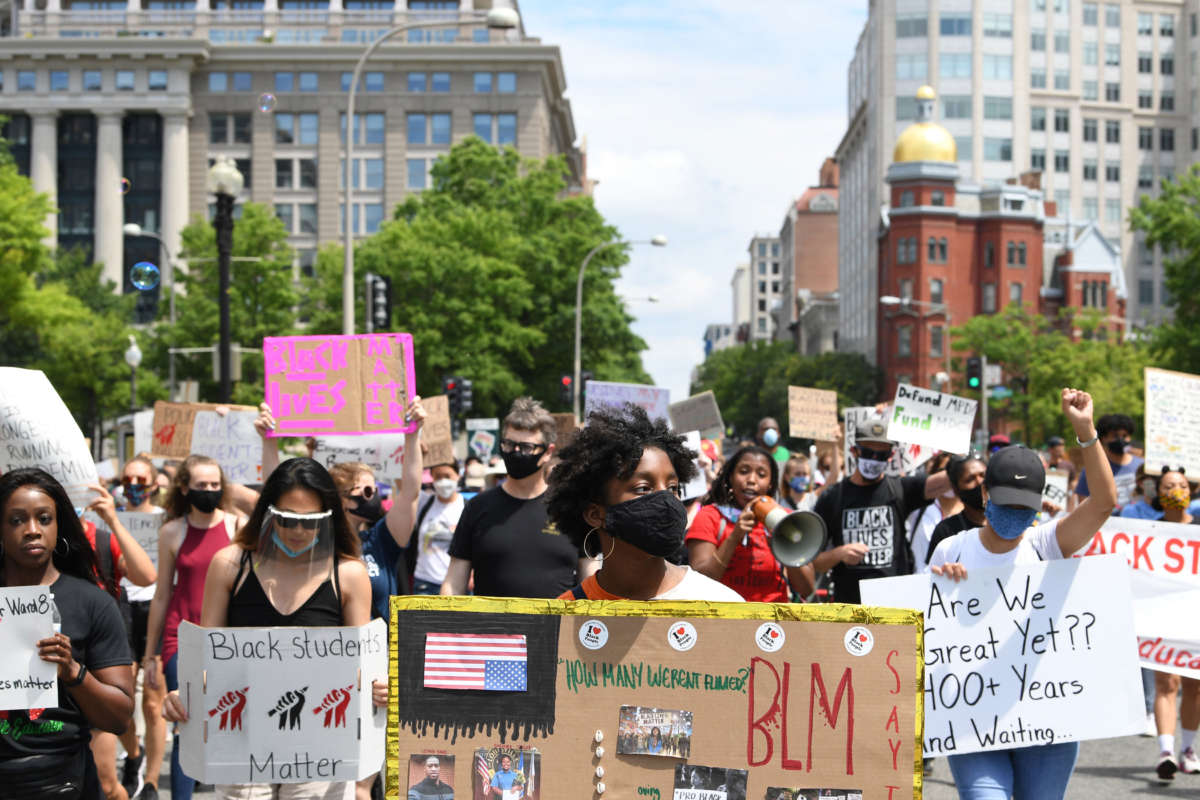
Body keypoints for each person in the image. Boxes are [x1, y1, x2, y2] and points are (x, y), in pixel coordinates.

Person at [928, 388, 1116, 799]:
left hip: (1044, 722)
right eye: (1006, 503)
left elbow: (1104, 502)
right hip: (973, 719)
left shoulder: (1047, 544)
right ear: (986, 496)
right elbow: (929, 636)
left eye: (1023, 507)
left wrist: (1085, 430)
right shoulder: (952, 549)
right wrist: (945, 589)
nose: (1013, 515)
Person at [162, 458, 385, 800]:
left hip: (321, 746)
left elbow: (363, 667)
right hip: (243, 742)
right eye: (287, 520)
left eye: (310, 522)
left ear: (330, 518)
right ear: (267, 513)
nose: (297, 531)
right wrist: (185, 694)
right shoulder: (229, 565)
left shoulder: (349, 574)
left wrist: (377, 687)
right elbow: (210, 658)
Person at [0, 469, 135, 799]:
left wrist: (72, 671)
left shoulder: (93, 604)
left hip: (63, 781)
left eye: (44, 518)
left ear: (58, 525)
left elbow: (119, 717)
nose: (32, 530)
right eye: (17, 520)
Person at [549, 404, 743, 602]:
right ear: (595, 514)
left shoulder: (719, 604)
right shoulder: (565, 614)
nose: (666, 499)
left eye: (672, 488)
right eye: (643, 488)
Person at [142, 455, 241, 800]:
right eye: (202, 485)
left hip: (228, 640)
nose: (210, 491)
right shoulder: (172, 531)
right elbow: (161, 594)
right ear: (185, 488)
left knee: (227, 721)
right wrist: (150, 654)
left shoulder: (236, 527)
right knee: (188, 722)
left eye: (215, 485)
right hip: (180, 638)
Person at [443, 397, 597, 598]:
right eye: (509, 444)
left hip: (558, 628)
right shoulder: (477, 507)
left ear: (547, 452)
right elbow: (454, 584)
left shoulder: (571, 509)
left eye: (525, 448)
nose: (515, 453)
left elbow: (590, 579)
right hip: (490, 627)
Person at [810, 416, 952, 604]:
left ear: (891, 456)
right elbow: (815, 561)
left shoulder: (901, 489)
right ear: (854, 451)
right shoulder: (833, 497)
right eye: (868, 453)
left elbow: (951, 478)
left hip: (895, 605)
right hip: (851, 608)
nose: (874, 460)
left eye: (882, 455)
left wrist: (957, 448)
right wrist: (840, 553)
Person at [83, 472, 158, 800]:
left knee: (105, 783)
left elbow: (145, 575)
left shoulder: (98, 538)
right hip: (48, 673)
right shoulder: (21, 538)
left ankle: (135, 757)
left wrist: (112, 519)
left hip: (96, 666)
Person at [108, 456, 168, 800]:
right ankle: (134, 753)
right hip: (120, 607)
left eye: (141, 479)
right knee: (122, 700)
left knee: (154, 700)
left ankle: (152, 782)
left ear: (154, 485)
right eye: (128, 478)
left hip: (156, 607)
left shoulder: (166, 521)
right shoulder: (107, 518)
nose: (133, 485)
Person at [686, 445, 811, 602]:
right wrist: (734, 537)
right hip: (725, 621)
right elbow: (701, 583)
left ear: (770, 483)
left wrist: (786, 547)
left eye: (761, 474)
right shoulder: (710, 516)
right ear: (730, 477)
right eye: (744, 472)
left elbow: (806, 589)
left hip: (773, 623)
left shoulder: (786, 519)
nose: (751, 480)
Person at [1148, 467, 1200, 780]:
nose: (1176, 490)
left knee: (1194, 685)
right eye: (1169, 485)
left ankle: (1189, 749)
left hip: (1194, 616)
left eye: (1181, 485)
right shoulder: (1146, 532)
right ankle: (1166, 750)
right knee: (1166, 683)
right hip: (1162, 616)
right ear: (1158, 491)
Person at [411, 460, 466, 595]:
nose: (443, 481)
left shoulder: (467, 507)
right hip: (424, 585)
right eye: (438, 477)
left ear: (458, 475)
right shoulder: (424, 502)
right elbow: (406, 483)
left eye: (447, 476)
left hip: (456, 586)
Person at [903, 453, 961, 575]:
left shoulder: (971, 513)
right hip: (916, 585)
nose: (948, 478)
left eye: (955, 472)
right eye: (942, 471)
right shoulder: (918, 508)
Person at [924, 455, 987, 565]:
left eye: (983, 475)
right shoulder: (945, 531)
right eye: (970, 479)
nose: (979, 482)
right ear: (956, 489)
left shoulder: (1007, 522)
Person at [1075, 413, 1143, 511]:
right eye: (1115, 436)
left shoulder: (1142, 466)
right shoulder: (1092, 470)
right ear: (1103, 438)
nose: (1121, 440)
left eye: (1125, 436)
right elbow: (1083, 503)